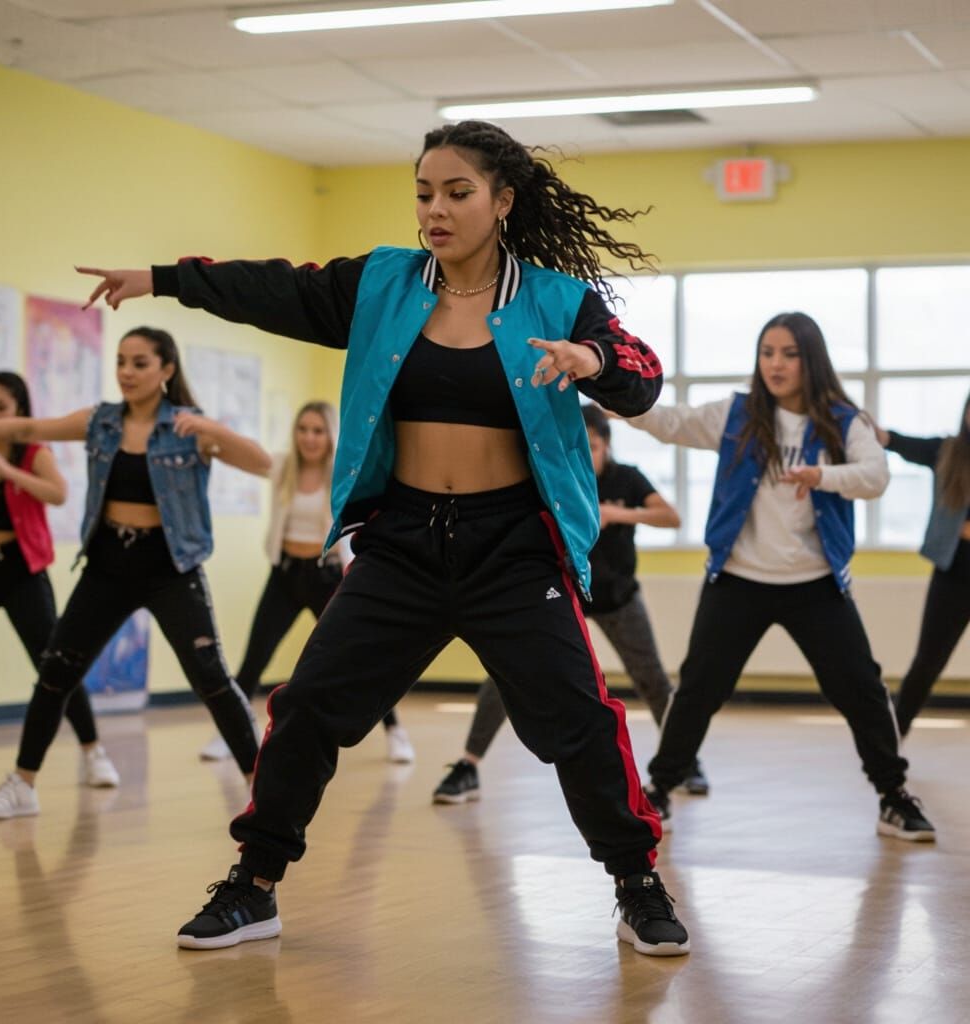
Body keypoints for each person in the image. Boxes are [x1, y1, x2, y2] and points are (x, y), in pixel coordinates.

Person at [77, 119, 690, 957]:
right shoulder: (384, 284)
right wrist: (159, 279)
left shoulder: (554, 297)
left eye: (457, 192)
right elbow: (273, 288)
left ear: (502, 201)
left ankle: (637, 883)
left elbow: (642, 369)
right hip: (402, 541)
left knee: (577, 719)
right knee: (307, 707)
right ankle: (252, 885)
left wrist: (591, 361)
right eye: (424, 193)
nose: (435, 210)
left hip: (512, 546)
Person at [625, 311, 935, 842]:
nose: (775, 363)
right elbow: (666, 422)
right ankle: (661, 788)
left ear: (810, 359)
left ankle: (892, 796)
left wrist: (822, 476)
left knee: (861, 688)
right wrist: (611, 384)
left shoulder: (842, 420)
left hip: (815, 584)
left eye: (788, 353)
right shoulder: (738, 414)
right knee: (699, 687)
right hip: (738, 581)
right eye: (767, 352)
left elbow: (876, 476)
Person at [0, 328, 269, 819]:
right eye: (121, 362)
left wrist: (216, 433)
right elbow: (32, 429)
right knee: (56, 669)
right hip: (108, 566)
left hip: (170, 568)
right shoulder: (100, 422)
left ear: (165, 370)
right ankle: (23, 784)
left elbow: (264, 464)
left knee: (211, 677)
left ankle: (262, 790)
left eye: (140, 363)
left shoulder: (187, 425)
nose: (126, 372)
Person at [433, 402, 708, 804]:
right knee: (503, 676)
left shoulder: (627, 479)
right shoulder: (555, 478)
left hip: (617, 597)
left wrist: (616, 513)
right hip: (558, 595)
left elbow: (670, 517)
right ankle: (468, 765)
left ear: (608, 447)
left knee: (651, 678)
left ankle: (683, 761)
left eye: (594, 446)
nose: (586, 453)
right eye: (578, 444)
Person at [198, 400, 415, 764]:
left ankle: (395, 731)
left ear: (330, 435)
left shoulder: (343, 471)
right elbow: (246, 458)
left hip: (326, 575)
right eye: (303, 430)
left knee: (358, 659)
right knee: (255, 658)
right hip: (284, 574)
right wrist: (211, 438)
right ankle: (230, 734)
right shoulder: (284, 467)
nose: (309, 438)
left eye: (317, 431)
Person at [0, 372, 118, 788]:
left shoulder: (32, 452)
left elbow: (57, 494)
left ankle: (93, 750)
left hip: (21, 571)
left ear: (19, 411)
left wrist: (6, 471)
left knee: (55, 664)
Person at [873, 392, 970, 736]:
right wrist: (873, 432)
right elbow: (898, 442)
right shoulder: (948, 453)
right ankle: (891, 737)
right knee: (928, 661)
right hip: (954, 574)